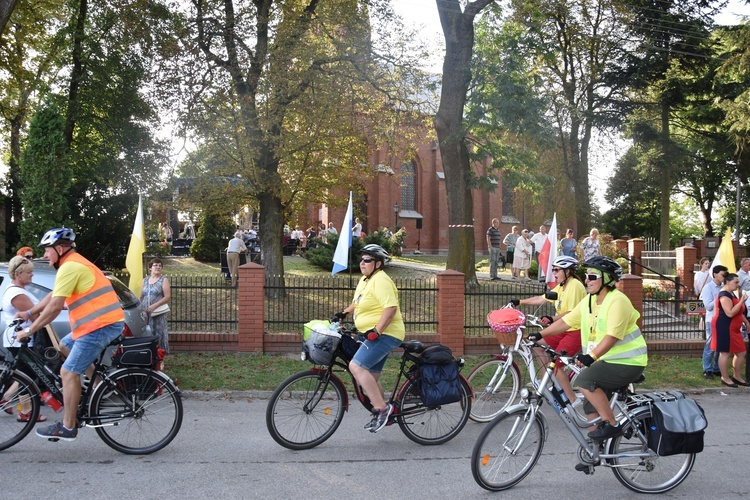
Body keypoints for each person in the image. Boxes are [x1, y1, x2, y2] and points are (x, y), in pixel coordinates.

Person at [15, 228, 125, 442]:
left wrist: (30, 329)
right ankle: (99, 386)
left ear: (60, 248)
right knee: (64, 346)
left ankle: (68, 426)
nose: (45, 255)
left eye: (47, 250)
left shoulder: (71, 266)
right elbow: (53, 296)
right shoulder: (71, 264)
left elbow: (55, 307)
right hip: (94, 325)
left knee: (67, 372)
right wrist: (30, 312)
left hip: (100, 326)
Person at [529, 256, 647, 451]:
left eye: (592, 276)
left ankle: (612, 425)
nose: (587, 280)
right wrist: (540, 334)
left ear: (607, 279)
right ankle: (595, 451)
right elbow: (567, 322)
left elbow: (612, 336)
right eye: (586, 276)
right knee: (590, 406)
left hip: (628, 362)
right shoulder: (590, 301)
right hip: (606, 361)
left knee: (584, 381)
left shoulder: (618, 301)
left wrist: (590, 357)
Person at [330, 244, 405, 433]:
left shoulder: (381, 280)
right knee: (370, 377)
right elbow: (358, 302)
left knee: (356, 367)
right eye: (361, 259)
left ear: (378, 264)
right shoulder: (365, 280)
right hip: (373, 334)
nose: (362, 263)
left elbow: (390, 308)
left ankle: (381, 409)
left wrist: (377, 331)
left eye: (367, 260)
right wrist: (343, 313)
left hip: (387, 334)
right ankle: (388, 412)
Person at [512, 255, 586, 404]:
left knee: (557, 364)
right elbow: (541, 298)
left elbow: (572, 313)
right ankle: (548, 380)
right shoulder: (562, 286)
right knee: (535, 344)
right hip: (563, 329)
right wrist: (519, 302)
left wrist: (552, 319)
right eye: (553, 270)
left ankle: (572, 399)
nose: (554, 273)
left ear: (568, 272)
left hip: (575, 331)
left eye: (557, 270)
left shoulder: (575, 286)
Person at [1, 256, 47, 422]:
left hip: (19, 339)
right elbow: (35, 316)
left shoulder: (16, 289)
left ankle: (7, 398)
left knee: (25, 374)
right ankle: (25, 411)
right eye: (29, 272)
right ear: (18, 274)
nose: (32, 275)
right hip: (20, 339)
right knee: (26, 376)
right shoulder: (17, 294)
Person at [711, 273, 748, 387]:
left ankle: (737, 376)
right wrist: (741, 301)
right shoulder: (724, 295)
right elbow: (730, 313)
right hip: (724, 326)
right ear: (728, 282)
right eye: (736, 282)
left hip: (734, 328)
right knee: (725, 352)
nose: (738, 285)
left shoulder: (732, 293)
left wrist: (746, 322)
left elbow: (739, 311)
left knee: (741, 352)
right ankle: (725, 378)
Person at [699, 265, 726, 379]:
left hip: (723, 320)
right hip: (712, 320)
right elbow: (709, 306)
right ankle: (707, 369)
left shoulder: (725, 287)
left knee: (720, 346)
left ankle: (716, 368)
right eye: (722, 274)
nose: (724, 277)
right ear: (715, 274)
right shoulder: (708, 288)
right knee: (711, 345)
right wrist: (720, 297)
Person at [141, 258, 171, 358]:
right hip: (146, 313)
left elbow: (167, 297)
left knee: (159, 333)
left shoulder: (163, 279)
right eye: (155, 265)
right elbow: (141, 296)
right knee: (148, 333)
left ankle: (160, 356)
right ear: (150, 268)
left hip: (158, 313)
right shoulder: (145, 280)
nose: (158, 267)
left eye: (160, 266)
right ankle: (149, 355)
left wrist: (154, 306)